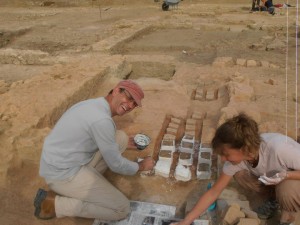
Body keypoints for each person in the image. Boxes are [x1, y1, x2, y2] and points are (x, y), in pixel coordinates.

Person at [34, 79, 156, 221]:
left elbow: (91, 135)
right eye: (128, 98)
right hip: (63, 174)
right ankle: (55, 204)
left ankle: (84, 187)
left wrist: (112, 143)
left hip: (61, 162)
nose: (129, 105)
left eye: (134, 104)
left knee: (121, 138)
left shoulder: (93, 104)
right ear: (116, 90)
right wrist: (141, 166)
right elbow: (116, 165)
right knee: (121, 209)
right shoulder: (102, 120)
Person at [171, 113, 300, 225]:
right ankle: (273, 199)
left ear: (244, 148)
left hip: (293, 181)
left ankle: (288, 218)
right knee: (240, 174)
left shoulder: (279, 149)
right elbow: (214, 192)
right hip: (274, 179)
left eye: (226, 154)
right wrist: (186, 221)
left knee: (287, 188)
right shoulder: (238, 161)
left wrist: (287, 175)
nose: (223, 159)